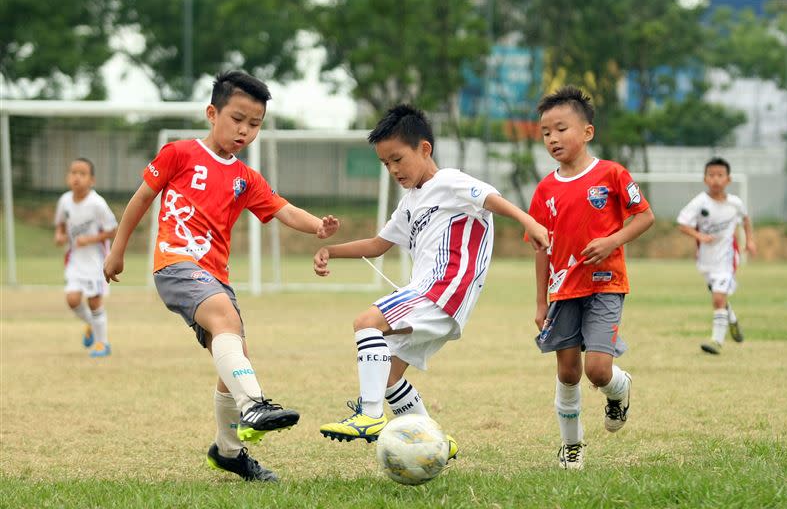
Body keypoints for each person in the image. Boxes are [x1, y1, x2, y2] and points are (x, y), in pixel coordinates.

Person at [103, 70, 340, 482]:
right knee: (227, 325)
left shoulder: (245, 179)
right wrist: (118, 251)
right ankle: (256, 405)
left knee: (231, 356)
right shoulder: (178, 153)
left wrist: (317, 225)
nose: (245, 130)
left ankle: (228, 452)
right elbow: (141, 199)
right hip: (176, 264)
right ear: (213, 113)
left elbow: (283, 209)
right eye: (237, 119)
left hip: (215, 276)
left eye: (255, 124)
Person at [314, 104, 549, 459]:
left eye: (398, 159)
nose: (393, 169)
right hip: (437, 300)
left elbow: (492, 199)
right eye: (385, 164)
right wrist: (331, 251)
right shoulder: (410, 203)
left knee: (366, 323)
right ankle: (435, 442)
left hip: (441, 289)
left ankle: (369, 416)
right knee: (389, 375)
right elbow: (379, 245)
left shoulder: (449, 181)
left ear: (425, 149)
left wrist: (528, 221)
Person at [528, 86, 655, 470]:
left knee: (598, 370)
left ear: (587, 132)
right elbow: (540, 248)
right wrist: (540, 301)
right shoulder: (545, 189)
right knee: (568, 372)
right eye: (546, 132)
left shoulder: (612, 174)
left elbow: (645, 216)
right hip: (563, 291)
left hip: (605, 285)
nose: (552, 138)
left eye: (561, 128)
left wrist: (611, 241)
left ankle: (619, 390)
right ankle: (572, 446)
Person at [676, 157, 756, 355]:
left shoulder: (735, 203)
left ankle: (716, 341)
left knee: (718, 299)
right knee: (719, 297)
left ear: (728, 179)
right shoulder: (700, 203)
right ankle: (732, 320)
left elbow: (745, 219)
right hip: (706, 260)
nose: (716, 179)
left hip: (727, 259)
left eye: (720, 175)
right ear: (705, 179)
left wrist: (750, 241)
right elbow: (682, 224)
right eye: (711, 175)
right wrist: (699, 235)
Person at [54, 157, 118, 358]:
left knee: (94, 301)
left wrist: (91, 239)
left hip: (95, 260)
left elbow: (113, 230)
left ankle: (102, 344)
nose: (77, 177)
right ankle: (92, 324)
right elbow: (60, 224)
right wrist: (59, 235)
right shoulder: (64, 201)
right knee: (72, 300)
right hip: (74, 259)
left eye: (82, 174)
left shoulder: (97, 203)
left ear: (92, 180)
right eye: (73, 173)